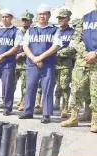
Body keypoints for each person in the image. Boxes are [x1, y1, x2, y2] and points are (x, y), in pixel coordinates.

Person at [18, 4, 62, 123]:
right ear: (37, 16)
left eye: (44, 14)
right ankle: (28, 111)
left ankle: (46, 114)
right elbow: (25, 46)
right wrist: (34, 58)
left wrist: (40, 58)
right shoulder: (31, 30)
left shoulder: (54, 29)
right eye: (40, 14)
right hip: (32, 63)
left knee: (47, 89)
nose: (42, 16)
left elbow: (56, 46)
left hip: (47, 63)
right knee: (30, 87)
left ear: (49, 15)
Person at [62, 0, 97, 132]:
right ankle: (73, 117)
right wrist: (86, 53)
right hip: (82, 61)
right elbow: (77, 39)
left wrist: (95, 53)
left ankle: (95, 121)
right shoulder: (86, 18)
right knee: (76, 89)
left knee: (95, 93)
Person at [54, 9, 76, 118]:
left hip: (65, 63)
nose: (60, 20)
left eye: (63, 18)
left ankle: (64, 108)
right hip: (52, 62)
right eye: (59, 18)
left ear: (68, 19)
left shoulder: (72, 32)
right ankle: (53, 103)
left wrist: (58, 53)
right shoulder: (55, 31)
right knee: (49, 84)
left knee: (64, 86)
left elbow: (73, 48)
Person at [14, 10, 34, 112]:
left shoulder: (33, 32)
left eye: (27, 20)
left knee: (24, 85)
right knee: (11, 83)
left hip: (26, 63)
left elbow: (35, 48)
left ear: (31, 21)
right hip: (15, 62)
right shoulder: (18, 32)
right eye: (23, 20)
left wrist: (23, 54)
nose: (24, 22)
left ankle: (23, 102)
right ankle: (7, 101)